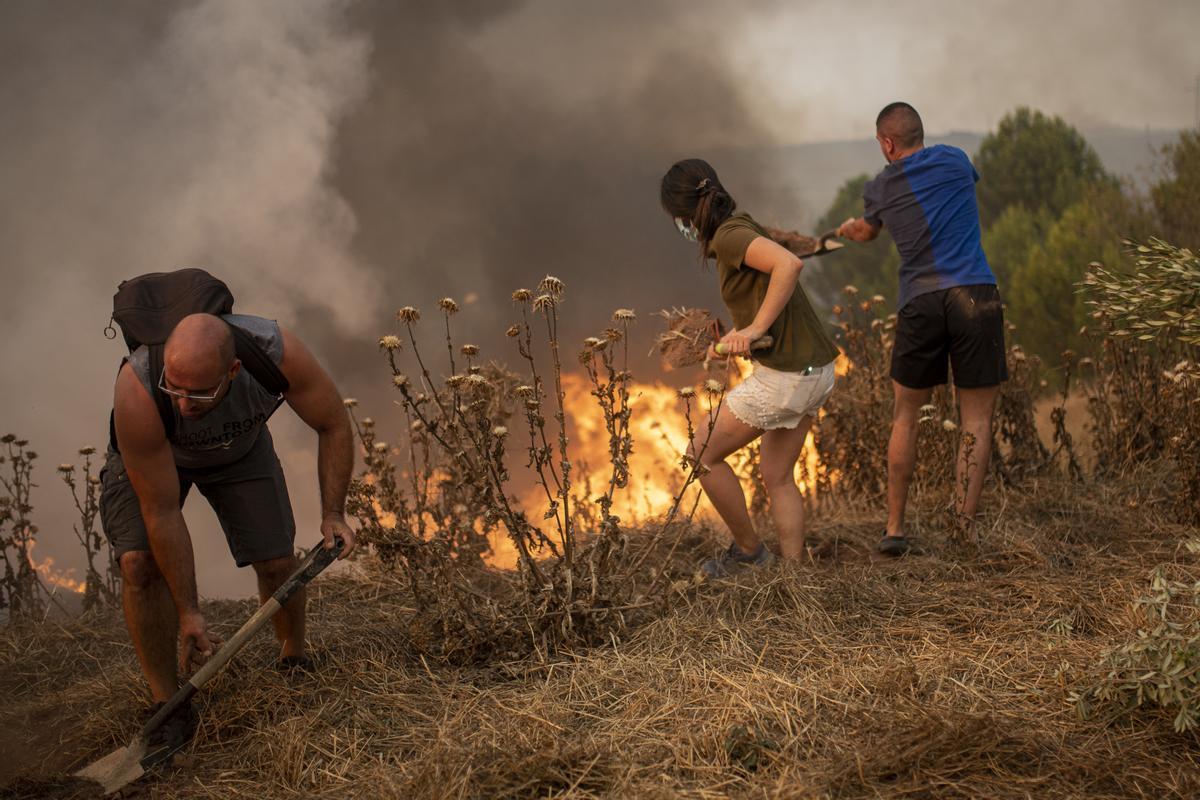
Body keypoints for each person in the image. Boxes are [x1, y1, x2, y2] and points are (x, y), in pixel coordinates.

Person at [100, 312, 357, 764]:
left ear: (233, 370)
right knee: (138, 564)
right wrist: (189, 613)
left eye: (198, 392)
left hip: (239, 450)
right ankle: (169, 707)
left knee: (278, 563)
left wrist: (333, 513)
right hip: (157, 458)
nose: (183, 404)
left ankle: (292, 665)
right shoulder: (139, 386)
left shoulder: (275, 354)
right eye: (174, 388)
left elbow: (333, 423)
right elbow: (160, 511)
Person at [836, 102, 1007, 556]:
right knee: (976, 418)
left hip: (921, 301)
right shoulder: (955, 159)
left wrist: (851, 229)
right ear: (918, 133)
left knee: (906, 414)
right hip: (975, 294)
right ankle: (963, 532)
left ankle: (894, 529)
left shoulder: (880, 187)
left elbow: (868, 231)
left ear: (887, 143)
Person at [661, 159, 839, 578]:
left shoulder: (730, 235)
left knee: (701, 454)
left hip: (789, 378)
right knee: (777, 475)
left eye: (677, 219)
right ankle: (794, 578)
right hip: (816, 371)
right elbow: (769, 288)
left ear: (685, 213)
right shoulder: (739, 224)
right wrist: (744, 335)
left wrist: (755, 327)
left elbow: (788, 265)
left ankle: (749, 552)